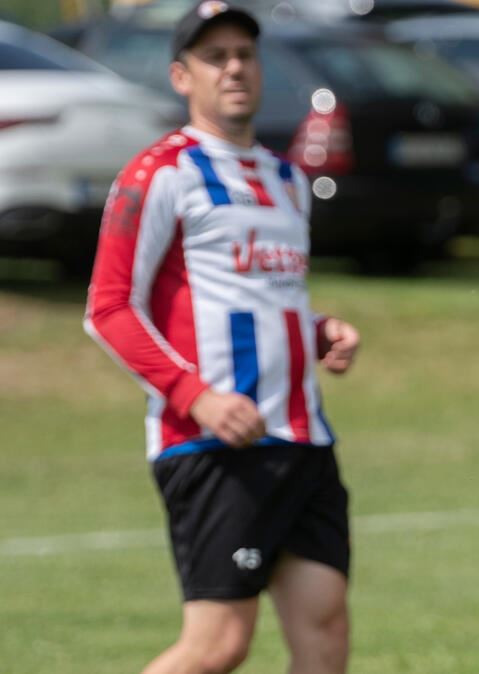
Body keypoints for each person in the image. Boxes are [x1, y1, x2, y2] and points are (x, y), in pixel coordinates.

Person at [84, 4, 358, 673]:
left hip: (303, 438)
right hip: (214, 443)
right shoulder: (158, 173)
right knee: (218, 646)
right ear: (182, 76)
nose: (234, 68)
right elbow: (108, 308)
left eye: (244, 53)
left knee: (325, 634)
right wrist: (196, 397)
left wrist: (321, 331)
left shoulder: (288, 179)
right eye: (215, 56)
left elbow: (265, 296)